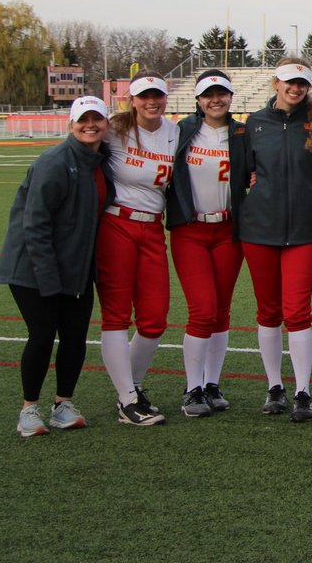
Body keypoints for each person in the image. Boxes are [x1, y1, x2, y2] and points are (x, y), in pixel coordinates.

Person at [0, 96, 114, 437]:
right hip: (33, 270)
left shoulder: (100, 162)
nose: (90, 125)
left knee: (75, 337)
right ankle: (28, 410)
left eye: (97, 119)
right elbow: (35, 225)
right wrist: (48, 280)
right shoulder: (55, 161)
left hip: (76, 269)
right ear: (71, 124)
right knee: (43, 335)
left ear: (106, 124)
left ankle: (63, 404)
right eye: (83, 119)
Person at [239, 58, 312, 422]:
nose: (295, 87)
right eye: (289, 81)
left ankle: (303, 391)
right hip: (259, 229)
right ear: (276, 82)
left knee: (298, 312)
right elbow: (243, 173)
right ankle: (275, 386)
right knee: (268, 312)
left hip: (304, 228)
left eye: (301, 82)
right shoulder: (254, 124)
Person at [97, 72, 179, 426]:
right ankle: (128, 397)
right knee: (116, 315)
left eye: (157, 95)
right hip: (116, 225)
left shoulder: (175, 132)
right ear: (132, 99)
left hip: (152, 227)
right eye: (144, 96)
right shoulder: (114, 131)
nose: (151, 102)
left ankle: (130, 387)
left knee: (154, 318)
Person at [167, 70, 247, 418]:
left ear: (231, 97)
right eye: (208, 94)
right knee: (202, 309)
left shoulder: (243, 133)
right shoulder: (181, 131)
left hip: (229, 229)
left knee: (222, 311)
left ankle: (211, 384)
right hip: (191, 230)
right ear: (198, 100)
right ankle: (192, 388)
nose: (216, 100)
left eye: (222, 93)